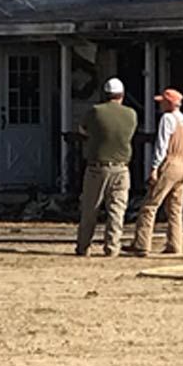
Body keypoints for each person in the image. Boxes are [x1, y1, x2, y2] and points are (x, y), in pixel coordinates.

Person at [130, 88, 183, 256]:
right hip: (182, 165)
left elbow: (161, 145)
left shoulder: (167, 119)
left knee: (150, 204)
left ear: (168, 103)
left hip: (169, 162)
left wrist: (154, 167)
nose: (160, 104)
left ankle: (142, 244)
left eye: (162, 101)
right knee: (176, 208)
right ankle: (175, 245)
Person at [71, 77, 137, 257]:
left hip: (97, 167)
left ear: (104, 94)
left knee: (90, 208)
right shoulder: (131, 114)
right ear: (122, 95)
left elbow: (82, 129)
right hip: (122, 168)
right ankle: (112, 247)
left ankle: (84, 246)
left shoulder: (95, 111)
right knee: (117, 209)